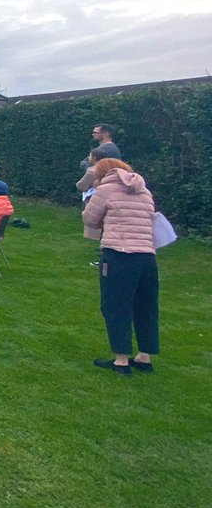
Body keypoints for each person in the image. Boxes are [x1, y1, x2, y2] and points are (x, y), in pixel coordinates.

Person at [83, 159, 159, 376]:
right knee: (146, 306)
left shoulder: (105, 190)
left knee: (116, 305)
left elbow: (90, 219)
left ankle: (121, 359)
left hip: (119, 254)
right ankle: (145, 356)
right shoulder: (144, 190)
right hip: (147, 256)